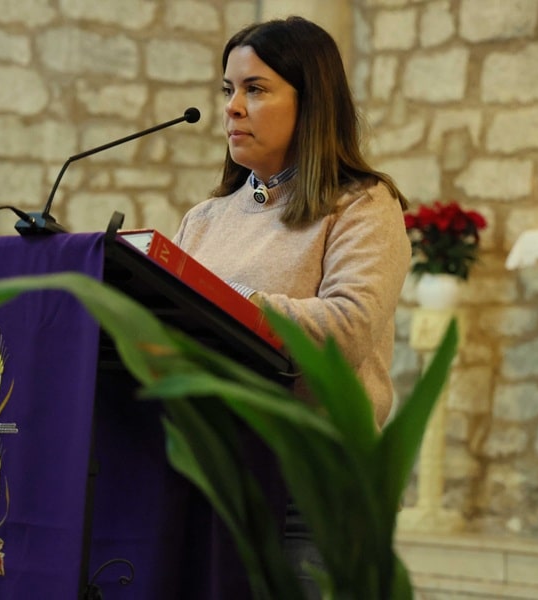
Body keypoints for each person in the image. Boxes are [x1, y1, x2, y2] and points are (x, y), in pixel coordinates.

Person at [172, 15, 411, 598]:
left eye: (255, 89)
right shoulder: (203, 220)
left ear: (313, 102)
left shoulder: (360, 205)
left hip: (313, 490)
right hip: (209, 482)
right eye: (228, 89)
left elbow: (347, 329)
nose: (233, 107)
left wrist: (229, 301)